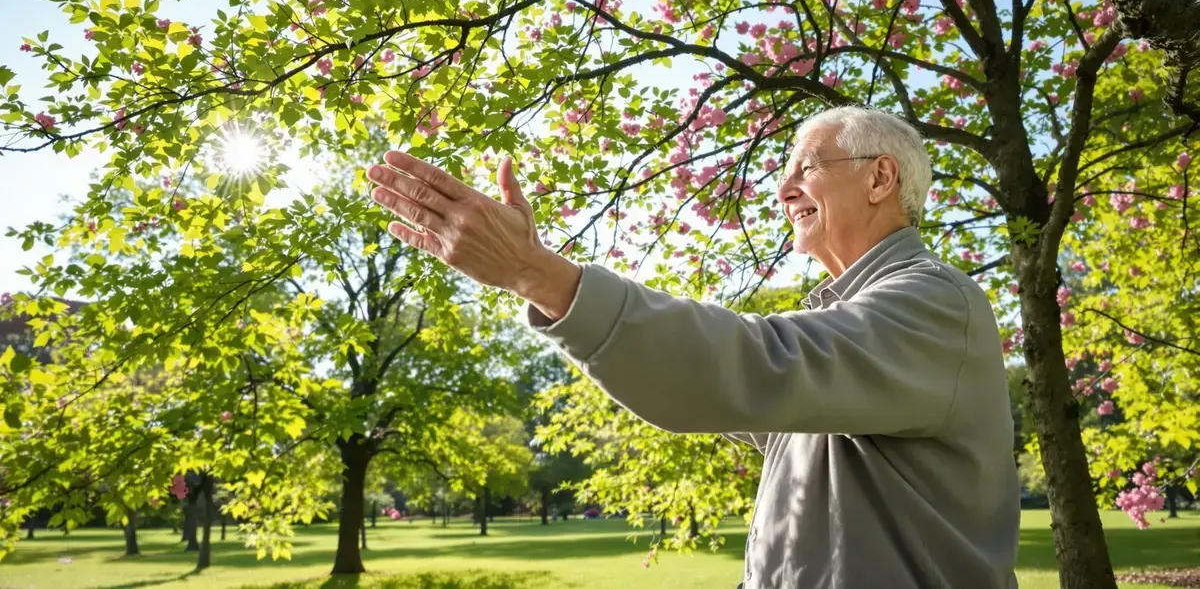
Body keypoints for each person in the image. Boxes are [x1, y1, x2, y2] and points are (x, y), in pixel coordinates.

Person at [365, 106, 1020, 588]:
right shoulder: (847, 326)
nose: (783, 188)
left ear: (881, 178)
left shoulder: (936, 303)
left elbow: (749, 367)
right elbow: (714, 392)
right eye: (784, 171)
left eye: (807, 167)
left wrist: (535, 270)